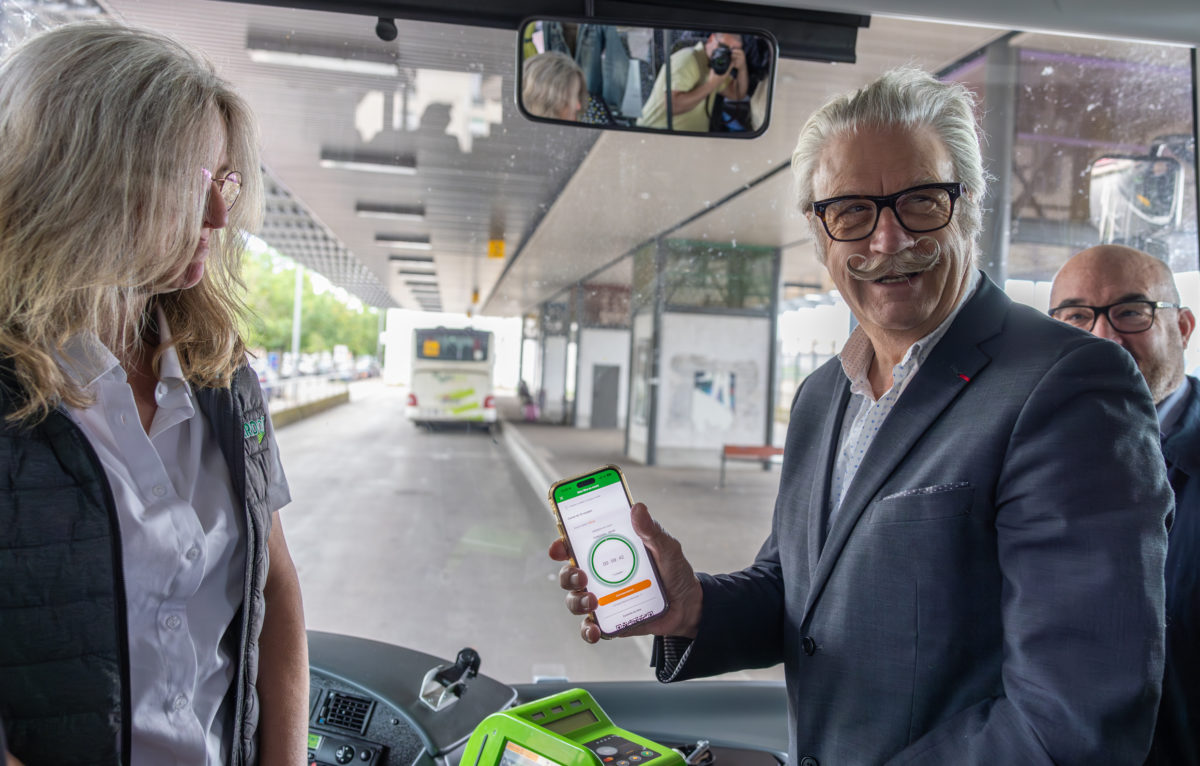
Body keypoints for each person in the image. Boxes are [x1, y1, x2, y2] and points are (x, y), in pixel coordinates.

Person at [551, 68, 1172, 763]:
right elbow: (803, 590)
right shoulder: (825, 394)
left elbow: (1073, 722)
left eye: (919, 201)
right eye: (851, 211)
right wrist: (694, 605)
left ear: (967, 208)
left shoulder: (1069, 386)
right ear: (821, 237)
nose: (886, 241)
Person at [0, 22, 308, 765]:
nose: (220, 218)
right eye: (198, 183)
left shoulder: (223, 376)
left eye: (226, 182)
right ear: (79, 179)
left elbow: (275, 587)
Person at [1049, 244, 1199, 766]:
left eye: (1131, 312)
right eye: (1076, 316)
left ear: (1182, 326)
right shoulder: (1025, 459)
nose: (1102, 337)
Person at [636, 32, 748, 132]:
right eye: (723, 47)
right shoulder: (687, 59)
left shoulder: (717, 66)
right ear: (711, 40)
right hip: (656, 134)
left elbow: (737, 94)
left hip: (687, 141)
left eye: (732, 52)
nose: (724, 54)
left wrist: (742, 68)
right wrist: (711, 85)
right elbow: (672, 106)